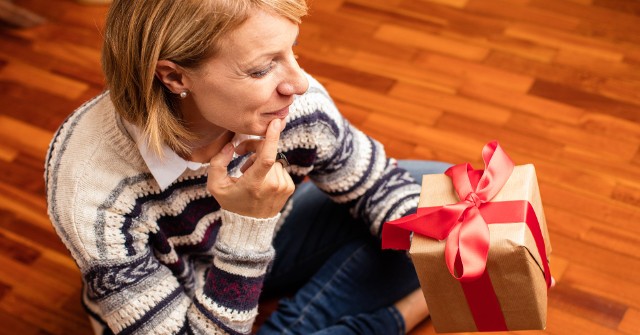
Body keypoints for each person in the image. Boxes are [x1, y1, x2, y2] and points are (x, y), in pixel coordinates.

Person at [45, 0, 451, 334]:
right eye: (262, 68)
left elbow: (379, 184)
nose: (300, 82)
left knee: (436, 205)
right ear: (173, 76)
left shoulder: (295, 104)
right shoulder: (88, 189)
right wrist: (246, 227)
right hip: (186, 297)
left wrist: (452, 249)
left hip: (273, 242)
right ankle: (391, 317)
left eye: (293, 51)